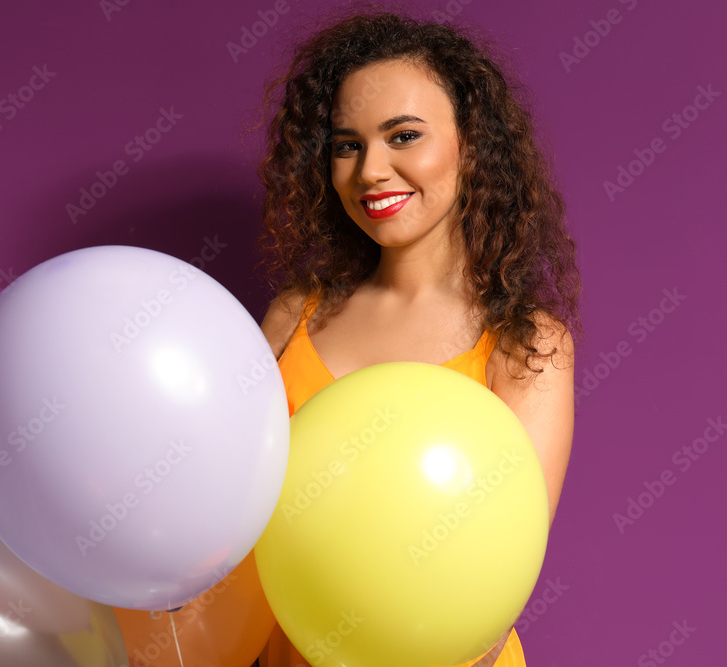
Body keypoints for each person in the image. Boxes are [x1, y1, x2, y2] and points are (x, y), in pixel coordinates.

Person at [249, 5, 582, 666]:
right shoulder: (292, 318)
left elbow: (493, 584)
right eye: (348, 144)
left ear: (472, 144)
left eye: (403, 135)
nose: (370, 169)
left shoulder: (526, 346)